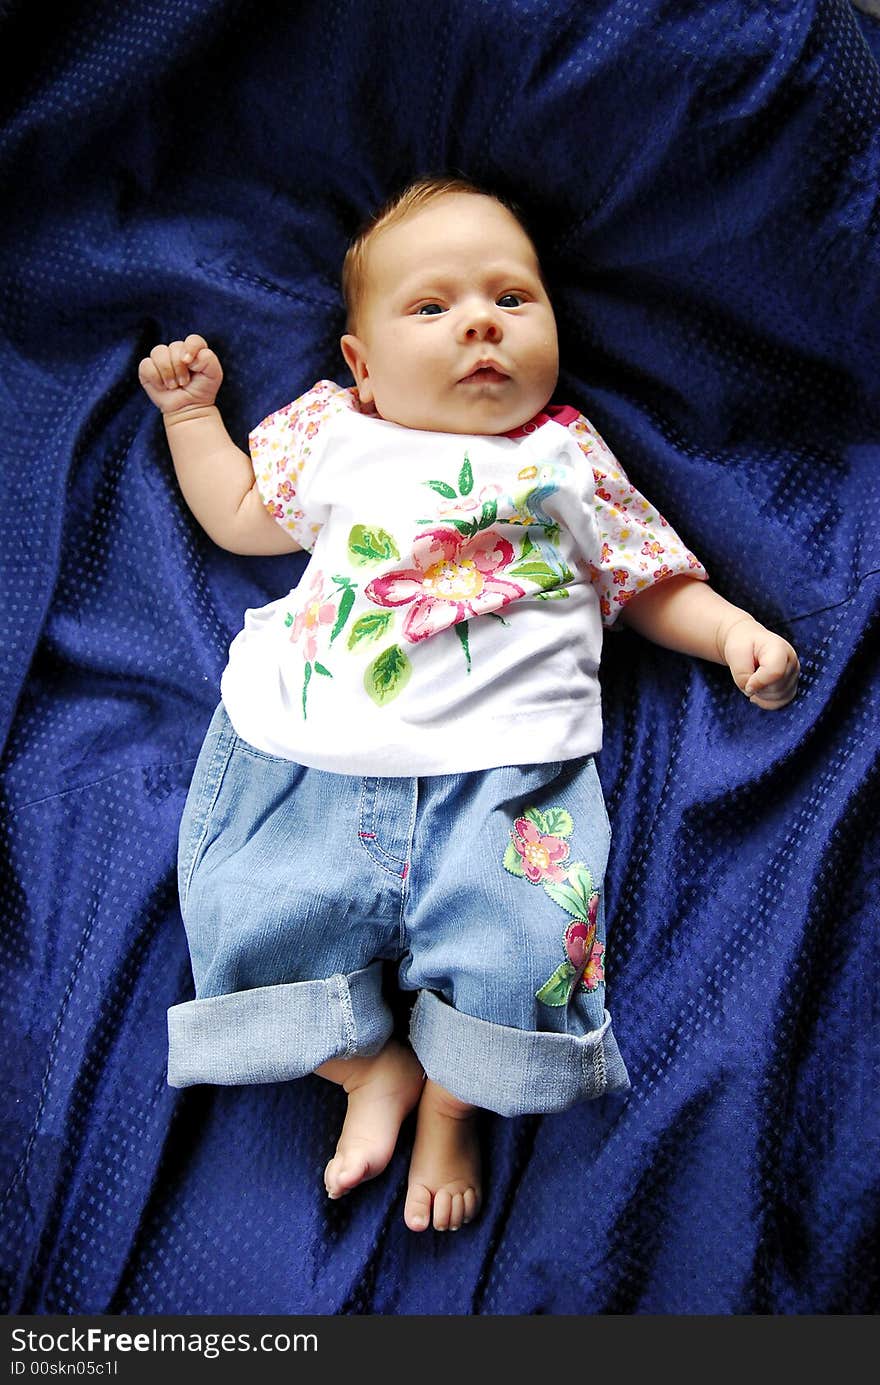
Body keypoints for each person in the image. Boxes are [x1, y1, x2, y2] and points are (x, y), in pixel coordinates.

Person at [138, 177, 800, 1233]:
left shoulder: (565, 460)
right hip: (308, 757)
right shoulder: (333, 434)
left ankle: (452, 1094)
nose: (480, 321)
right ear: (360, 361)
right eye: (431, 307)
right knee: (243, 912)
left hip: (510, 782)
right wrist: (189, 415)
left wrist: (730, 634)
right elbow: (236, 516)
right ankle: (366, 1070)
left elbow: (645, 579)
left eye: (512, 298)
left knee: (528, 949)